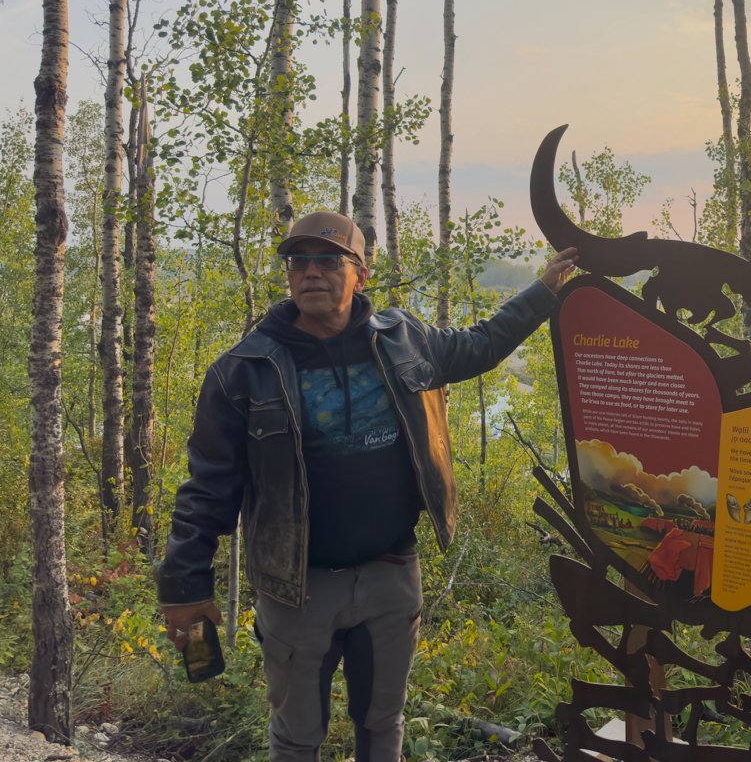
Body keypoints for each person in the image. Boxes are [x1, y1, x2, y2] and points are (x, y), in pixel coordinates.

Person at [156, 210, 578, 762]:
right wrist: (185, 586)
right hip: (295, 589)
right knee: (296, 734)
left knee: (383, 725)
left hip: (390, 575)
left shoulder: (406, 340)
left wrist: (544, 292)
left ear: (360, 272)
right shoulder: (243, 371)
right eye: (299, 260)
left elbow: (482, 344)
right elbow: (207, 488)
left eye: (329, 260)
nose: (312, 272)